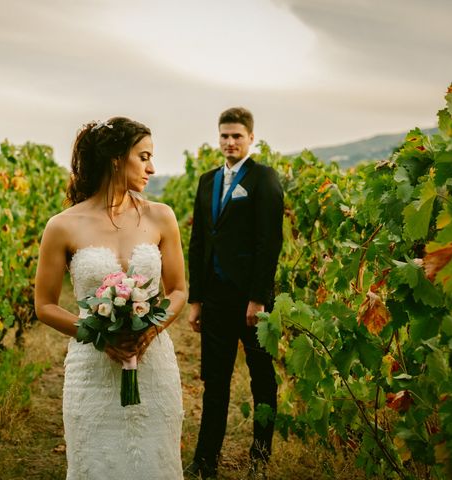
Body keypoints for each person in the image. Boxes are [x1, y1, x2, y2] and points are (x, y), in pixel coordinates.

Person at [34, 117, 187, 480]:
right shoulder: (62, 226)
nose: (151, 167)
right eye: (144, 156)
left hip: (154, 365)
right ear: (117, 159)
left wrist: (151, 331)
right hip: (92, 370)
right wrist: (98, 334)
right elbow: (44, 305)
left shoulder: (162, 217)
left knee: (155, 461)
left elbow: (179, 290)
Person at [184, 107, 283, 479]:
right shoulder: (207, 181)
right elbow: (197, 242)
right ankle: (205, 460)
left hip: (252, 300)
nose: (230, 142)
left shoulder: (264, 179)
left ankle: (260, 459)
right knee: (215, 380)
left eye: (237, 136)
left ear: (251, 139)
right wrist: (196, 299)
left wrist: (258, 298)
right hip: (215, 299)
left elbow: (269, 242)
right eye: (224, 135)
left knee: (262, 379)